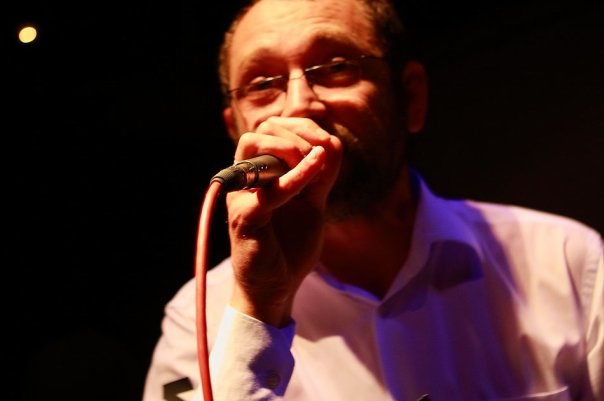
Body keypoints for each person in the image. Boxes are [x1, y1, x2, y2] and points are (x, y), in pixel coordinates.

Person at [142, 0, 603, 400]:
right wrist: (260, 305)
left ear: (411, 98)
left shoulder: (567, 262)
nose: (298, 105)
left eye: (336, 66)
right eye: (263, 83)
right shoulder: (197, 318)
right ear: (235, 128)